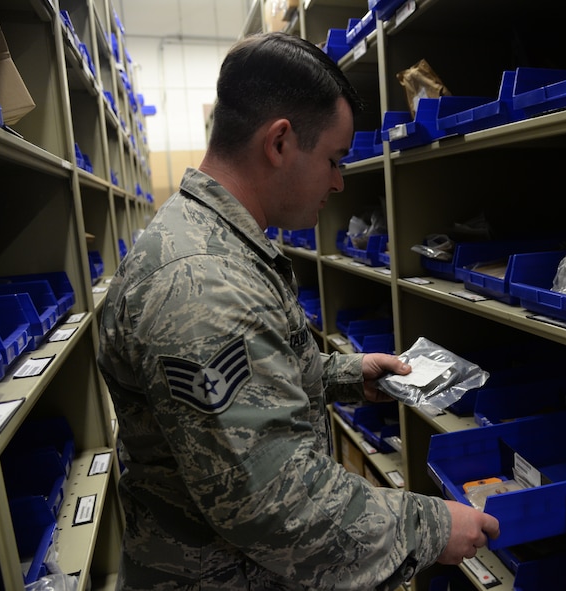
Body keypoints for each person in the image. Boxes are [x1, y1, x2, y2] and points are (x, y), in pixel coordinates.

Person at [97, 31, 499, 591]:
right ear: (280, 142)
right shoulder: (203, 284)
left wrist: (344, 374)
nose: (339, 181)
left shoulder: (220, 243)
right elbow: (274, 503)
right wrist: (429, 527)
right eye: (333, 159)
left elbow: (251, 383)